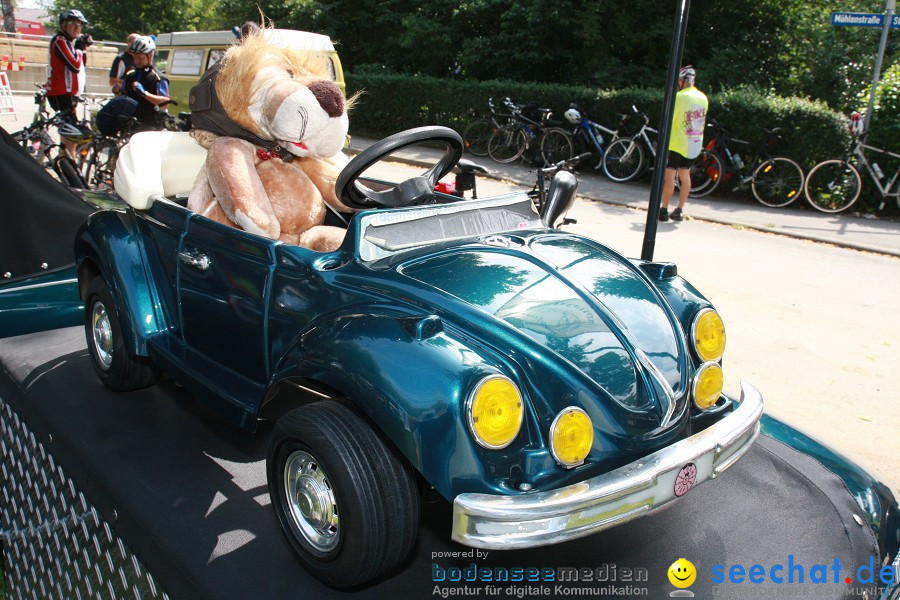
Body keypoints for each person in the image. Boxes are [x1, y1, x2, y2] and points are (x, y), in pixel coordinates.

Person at [659, 65, 708, 222]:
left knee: (670, 176)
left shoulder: (679, 97)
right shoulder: (703, 97)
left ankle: (664, 210)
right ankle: (679, 210)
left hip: (677, 143)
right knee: (685, 175)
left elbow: (670, 120)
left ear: (683, 81)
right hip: (694, 143)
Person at [47, 9, 89, 158]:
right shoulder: (60, 41)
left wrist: (82, 49)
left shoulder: (70, 43)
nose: (78, 28)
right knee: (70, 135)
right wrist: (79, 48)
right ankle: (67, 162)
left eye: (80, 25)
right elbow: (74, 65)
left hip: (70, 93)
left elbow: (81, 64)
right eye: (73, 24)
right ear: (64, 25)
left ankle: (66, 160)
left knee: (71, 133)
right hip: (61, 93)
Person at [122, 36, 171, 131]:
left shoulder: (158, 77)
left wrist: (145, 94)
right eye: (135, 57)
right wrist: (118, 91)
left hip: (149, 127)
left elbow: (166, 103)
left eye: (140, 58)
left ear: (150, 55)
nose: (137, 61)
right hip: (130, 125)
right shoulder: (130, 75)